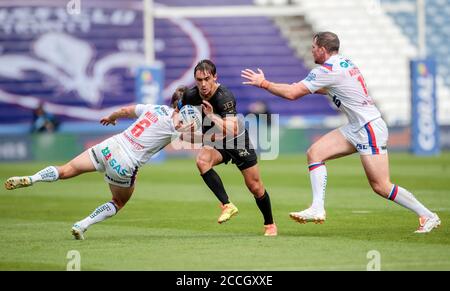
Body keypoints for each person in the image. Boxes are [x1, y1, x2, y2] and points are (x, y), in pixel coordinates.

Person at [241, 31, 440, 233]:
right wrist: (302, 87)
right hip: (358, 126)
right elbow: (328, 88)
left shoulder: (326, 70)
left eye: (313, 47)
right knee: (315, 153)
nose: (311, 51)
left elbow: (293, 94)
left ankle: (428, 215)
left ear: (322, 49)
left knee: (381, 185)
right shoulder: (344, 62)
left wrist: (264, 84)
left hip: (368, 127)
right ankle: (317, 208)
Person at [4, 86, 196, 240]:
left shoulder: (153, 108)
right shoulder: (178, 122)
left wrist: (112, 118)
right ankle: (82, 224)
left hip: (111, 145)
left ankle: (32, 178)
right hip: (125, 162)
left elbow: (126, 110)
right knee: (118, 202)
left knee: (65, 170)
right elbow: (193, 136)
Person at [180, 59, 277, 236]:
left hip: (236, 139)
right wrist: (180, 124)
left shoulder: (225, 96)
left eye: (206, 79)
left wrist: (211, 115)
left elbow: (232, 129)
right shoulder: (190, 95)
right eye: (199, 80)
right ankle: (227, 204)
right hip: (215, 140)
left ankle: (270, 224)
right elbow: (178, 111)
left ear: (215, 77)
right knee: (202, 161)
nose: (203, 84)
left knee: (255, 186)